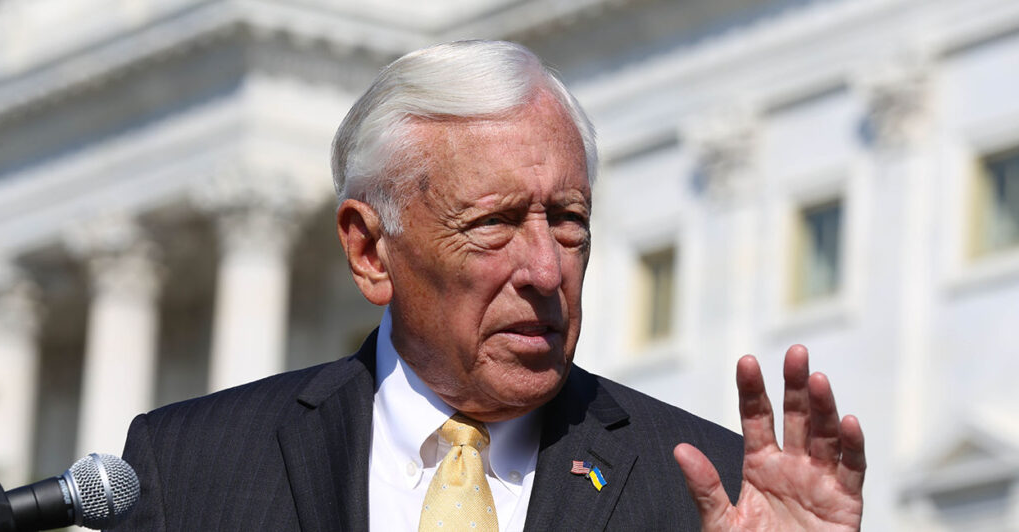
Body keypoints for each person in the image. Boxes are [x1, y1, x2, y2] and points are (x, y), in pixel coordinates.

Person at [113, 40, 865, 531]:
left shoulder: (712, 492)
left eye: (568, 220)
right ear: (371, 250)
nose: (545, 269)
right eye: (494, 223)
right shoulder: (190, 470)